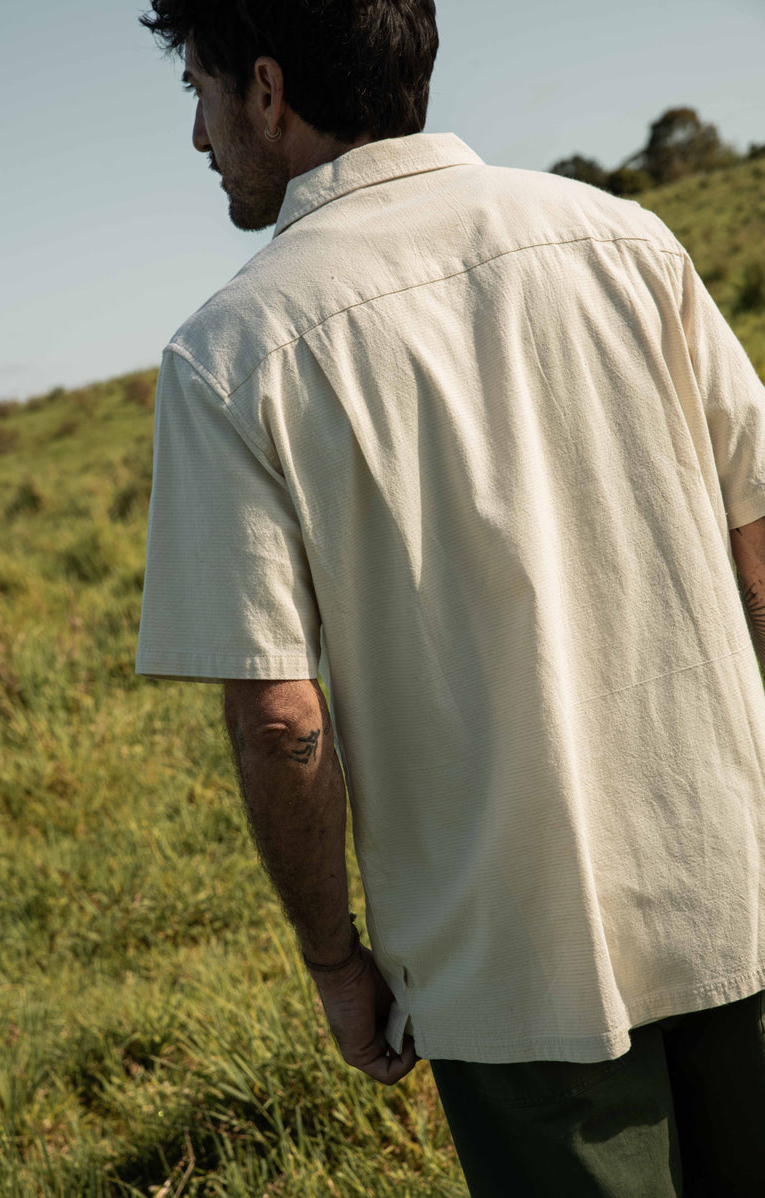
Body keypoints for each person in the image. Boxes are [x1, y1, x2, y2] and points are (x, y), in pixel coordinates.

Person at [135, 2, 765, 1193]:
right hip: (740, 888)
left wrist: (334, 962)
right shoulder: (627, 241)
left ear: (267, 91)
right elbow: (758, 553)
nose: (200, 137)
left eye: (200, 94)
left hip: (513, 978)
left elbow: (282, 717)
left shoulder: (227, 355)